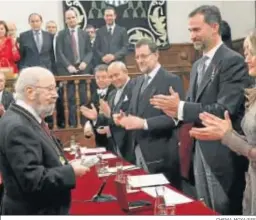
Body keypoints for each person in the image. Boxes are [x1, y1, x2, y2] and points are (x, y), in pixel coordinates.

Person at [150, 5, 251, 214]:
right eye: (190, 31)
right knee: (204, 209)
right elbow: (192, 105)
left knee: (223, 210)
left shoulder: (233, 60)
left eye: (196, 30)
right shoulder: (197, 65)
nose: (192, 36)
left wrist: (181, 107)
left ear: (214, 27)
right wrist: (177, 111)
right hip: (197, 151)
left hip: (222, 154)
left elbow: (224, 109)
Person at [0, 67, 89, 214]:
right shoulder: (18, 126)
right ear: (30, 92)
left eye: (55, 89)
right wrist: (70, 172)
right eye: (50, 89)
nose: (55, 95)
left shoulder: (24, 118)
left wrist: (64, 165)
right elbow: (33, 180)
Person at [189, 29, 256, 215]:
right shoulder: (253, 93)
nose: (246, 59)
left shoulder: (230, 63)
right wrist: (229, 134)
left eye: (251, 53)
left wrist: (228, 137)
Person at [114, 38, 184, 189]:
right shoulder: (137, 82)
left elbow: (175, 119)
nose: (140, 60)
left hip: (161, 155)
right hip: (136, 152)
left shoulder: (171, 80)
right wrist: (123, 118)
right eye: (137, 57)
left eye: (144, 56)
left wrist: (144, 123)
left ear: (156, 55)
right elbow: (133, 113)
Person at [81, 61, 134, 160]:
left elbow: (132, 115)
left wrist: (109, 127)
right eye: (97, 77)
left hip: (129, 142)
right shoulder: (112, 94)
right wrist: (95, 119)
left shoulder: (134, 87)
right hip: (111, 142)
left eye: (116, 75)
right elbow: (98, 115)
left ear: (126, 72)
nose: (114, 79)